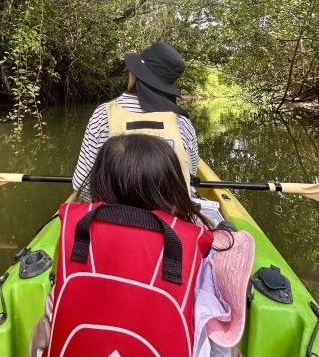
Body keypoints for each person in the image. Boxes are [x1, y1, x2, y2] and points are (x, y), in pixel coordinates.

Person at [31, 135, 254, 357]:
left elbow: (43, 342)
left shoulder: (79, 239)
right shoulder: (193, 252)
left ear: (99, 186)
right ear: (173, 193)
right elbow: (221, 349)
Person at [73, 42, 200, 197]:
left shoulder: (103, 114)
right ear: (166, 84)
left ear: (134, 74)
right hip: (167, 218)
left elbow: (82, 184)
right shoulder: (183, 123)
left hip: (111, 215)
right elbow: (190, 174)